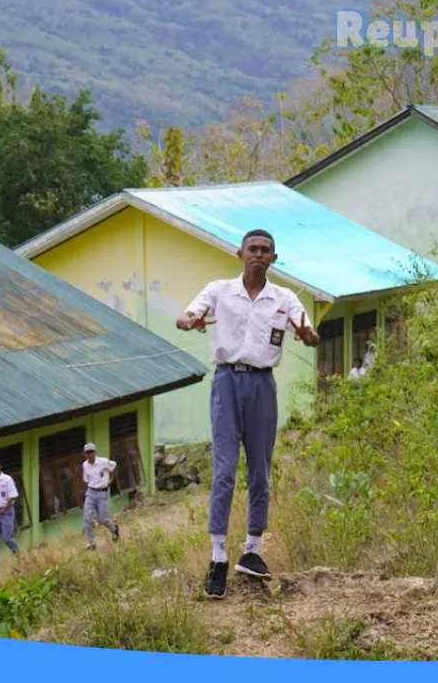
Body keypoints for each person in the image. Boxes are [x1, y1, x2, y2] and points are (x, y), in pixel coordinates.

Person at [176, 229, 319, 599]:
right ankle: (218, 556)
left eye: (265, 250)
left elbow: (309, 331)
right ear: (240, 253)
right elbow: (186, 316)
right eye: (252, 249)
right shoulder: (220, 290)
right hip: (227, 382)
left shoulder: (284, 298)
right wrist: (190, 322)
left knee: (260, 470)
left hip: (261, 385)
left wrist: (307, 336)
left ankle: (252, 550)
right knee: (224, 470)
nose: (258, 254)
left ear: (273, 257)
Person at [81, 443, 120, 550]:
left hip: (102, 493)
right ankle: (91, 543)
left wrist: (110, 481)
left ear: (95, 452)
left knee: (102, 519)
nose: (90, 455)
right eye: (88, 453)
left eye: (92, 452)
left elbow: (114, 466)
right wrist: (92, 486)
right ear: (85, 454)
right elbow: (86, 479)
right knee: (87, 518)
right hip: (90, 492)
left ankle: (114, 529)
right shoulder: (85, 465)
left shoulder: (103, 462)